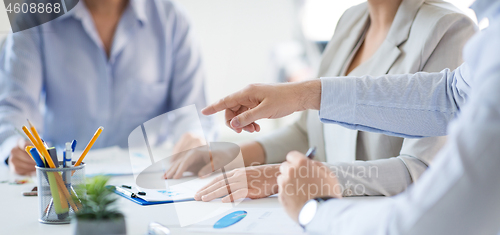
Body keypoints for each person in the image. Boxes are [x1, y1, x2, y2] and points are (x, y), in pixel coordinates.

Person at [199, 0, 500, 235]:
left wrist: (311, 202)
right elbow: (450, 94)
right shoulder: (352, 20)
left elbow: (417, 216)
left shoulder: (450, 27)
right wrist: (297, 98)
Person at [168, 0, 476, 204]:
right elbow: (308, 132)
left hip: (387, 231)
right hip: (328, 221)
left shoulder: (449, 28)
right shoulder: (352, 20)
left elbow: (421, 171)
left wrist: (284, 178)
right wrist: (230, 157)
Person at [0, 0, 213, 175]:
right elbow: (15, 107)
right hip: (61, 178)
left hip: (151, 176)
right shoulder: (34, 17)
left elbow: (193, 111)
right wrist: (15, 146)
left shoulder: (172, 20)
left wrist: (194, 137)